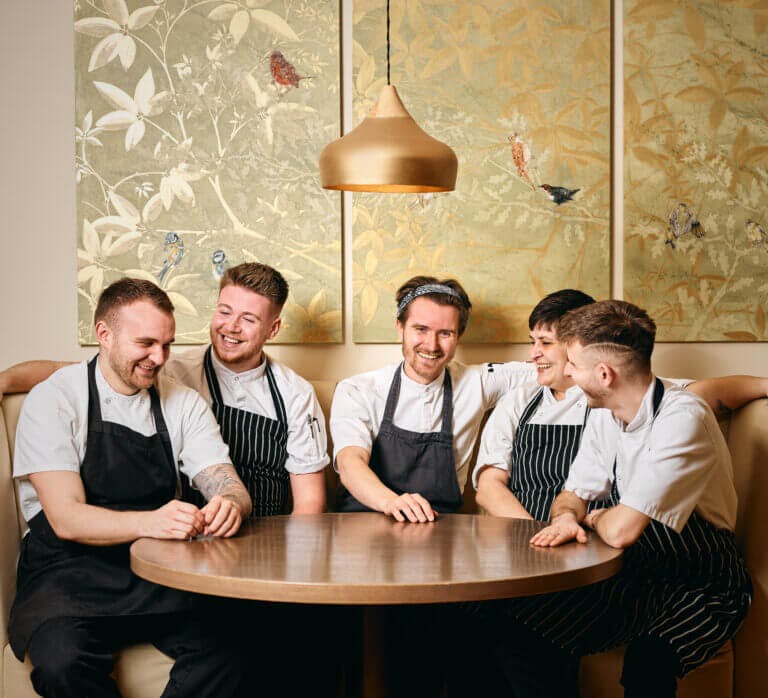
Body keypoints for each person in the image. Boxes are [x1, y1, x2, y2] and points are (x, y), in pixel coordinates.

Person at [8, 278, 252, 698]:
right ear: (104, 335)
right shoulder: (55, 400)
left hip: (157, 570)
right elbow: (66, 519)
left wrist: (231, 502)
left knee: (239, 643)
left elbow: (227, 481)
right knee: (61, 662)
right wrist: (156, 521)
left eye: (168, 344)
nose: (159, 358)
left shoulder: (183, 403)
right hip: (67, 572)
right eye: (146, 343)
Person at [515, 300, 752, 697]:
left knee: (648, 663)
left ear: (604, 374)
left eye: (572, 363)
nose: (567, 372)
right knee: (510, 620)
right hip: (635, 573)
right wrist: (567, 519)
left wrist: (595, 519)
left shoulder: (683, 418)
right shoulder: (604, 413)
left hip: (703, 582)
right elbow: (572, 495)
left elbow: (623, 530)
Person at [0, 262, 329, 517]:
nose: (231, 326)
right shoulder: (167, 367)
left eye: (248, 319)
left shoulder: (295, 394)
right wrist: (5, 382)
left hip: (267, 537)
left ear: (273, 329)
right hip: (191, 538)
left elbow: (309, 504)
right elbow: (82, 371)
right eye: (224, 312)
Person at [474, 289, 768, 520]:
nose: (533, 354)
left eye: (546, 343)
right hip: (529, 535)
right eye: (532, 341)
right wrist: (537, 539)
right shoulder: (519, 401)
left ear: (577, 343)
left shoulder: (617, 394)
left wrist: (763, 385)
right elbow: (489, 487)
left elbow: (702, 395)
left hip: (599, 547)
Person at [331, 275, 536, 522]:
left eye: (445, 333)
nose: (431, 345)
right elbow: (350, 463)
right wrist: (392, 502)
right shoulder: (358, 389)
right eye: (421, 329)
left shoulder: (477, 382)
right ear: (400, 328)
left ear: (459, 336)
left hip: (440, 529)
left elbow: (551, 366)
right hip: (364, 524)